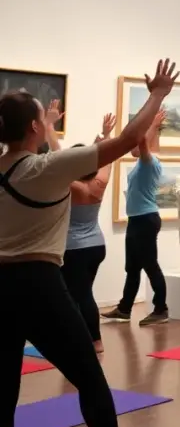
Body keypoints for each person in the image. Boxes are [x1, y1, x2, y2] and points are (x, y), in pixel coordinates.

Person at [0, 58, 178, 427]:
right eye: (43, 118)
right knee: (89, 376)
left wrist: (53, 129)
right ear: (34, 130)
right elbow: (130, 139)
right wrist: (157, 93)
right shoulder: (44, 170)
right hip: (39, 285)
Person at [101, 107, 169, 326]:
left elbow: (142, 144)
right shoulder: (142, 163)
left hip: (146, 219)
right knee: (132, 267)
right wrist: (153, 125)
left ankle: (161, 309)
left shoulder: (151, 163)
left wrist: (150, 124)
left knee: (150, 265)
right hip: (137, 219)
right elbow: (140, 147)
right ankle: (125, 308)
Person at [63, 113, 117, 354]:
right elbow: (107, 158)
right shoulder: (99, 183)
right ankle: (82, 336)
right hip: (96, 246)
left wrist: (47, 127)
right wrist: (105, 137)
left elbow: (57, 159)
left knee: (80, 295)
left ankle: (95, 341)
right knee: (80, 293)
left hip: (74, 248)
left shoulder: (71, 185)